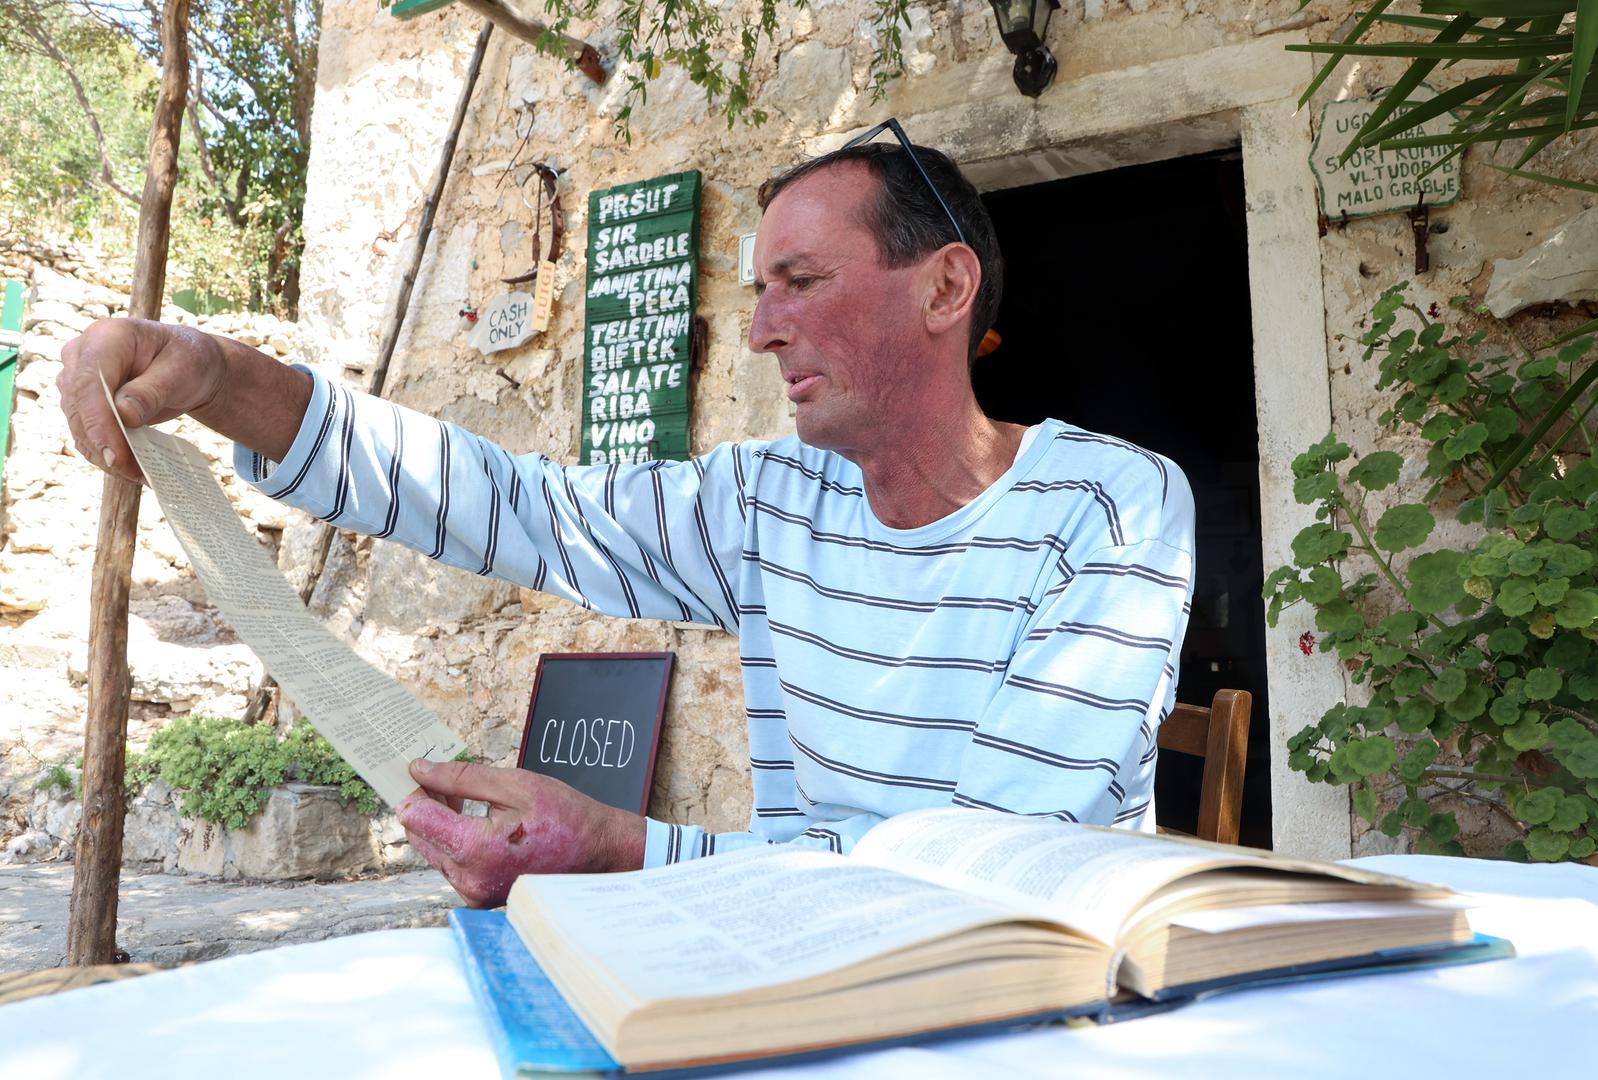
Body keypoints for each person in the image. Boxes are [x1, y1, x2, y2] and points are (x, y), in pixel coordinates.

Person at [58, 133, 1194, 908]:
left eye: (798, 281)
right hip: (811, 979)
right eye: (758, 292)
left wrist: (619, 848)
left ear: (943, 290)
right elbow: (522, 508)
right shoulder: (761, 504)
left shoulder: (1107, 507)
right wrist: (217, 377)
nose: (759, 332)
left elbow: (984, 868)